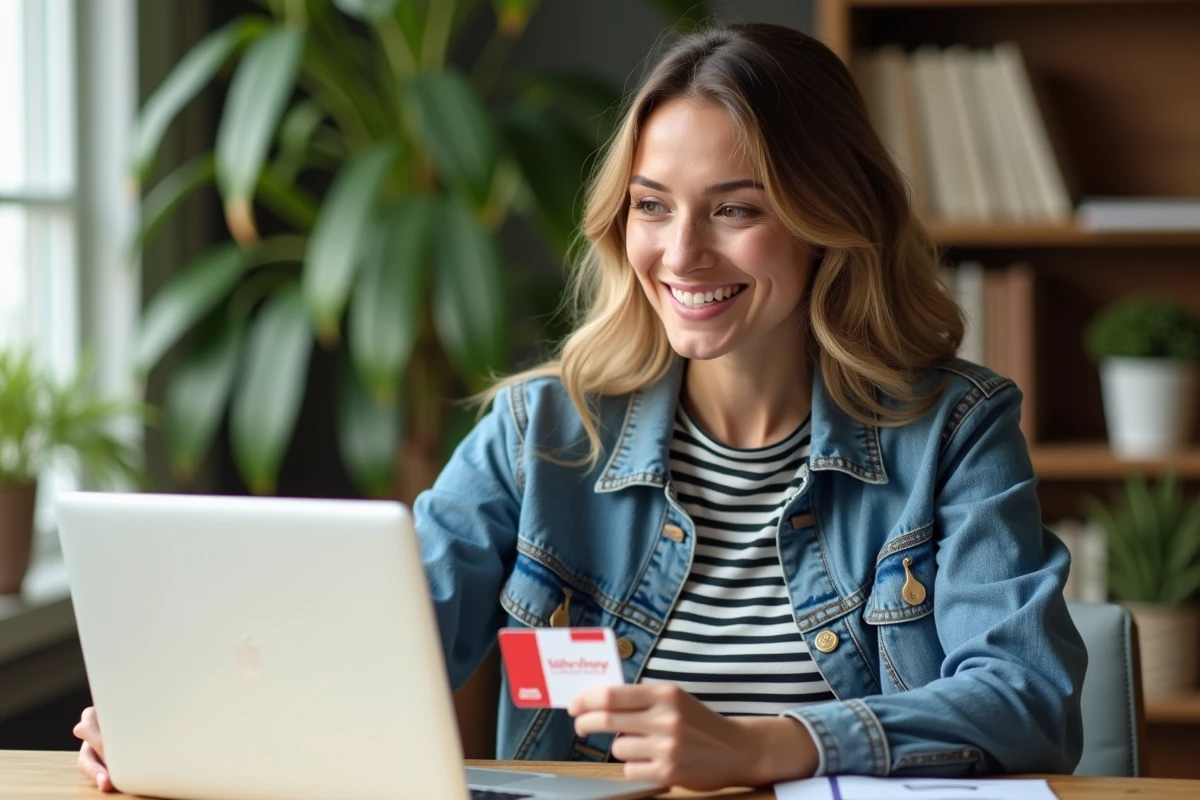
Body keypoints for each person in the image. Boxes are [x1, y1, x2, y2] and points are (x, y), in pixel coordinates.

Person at [75, 21, 1086, 793]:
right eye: (652, 205)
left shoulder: (953, 430)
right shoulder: (539, 434)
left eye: (735, 208)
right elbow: (373, 651)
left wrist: (767, 743)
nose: (680, 254)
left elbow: (1029, 697)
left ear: (834, 219)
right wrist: (186, 719)